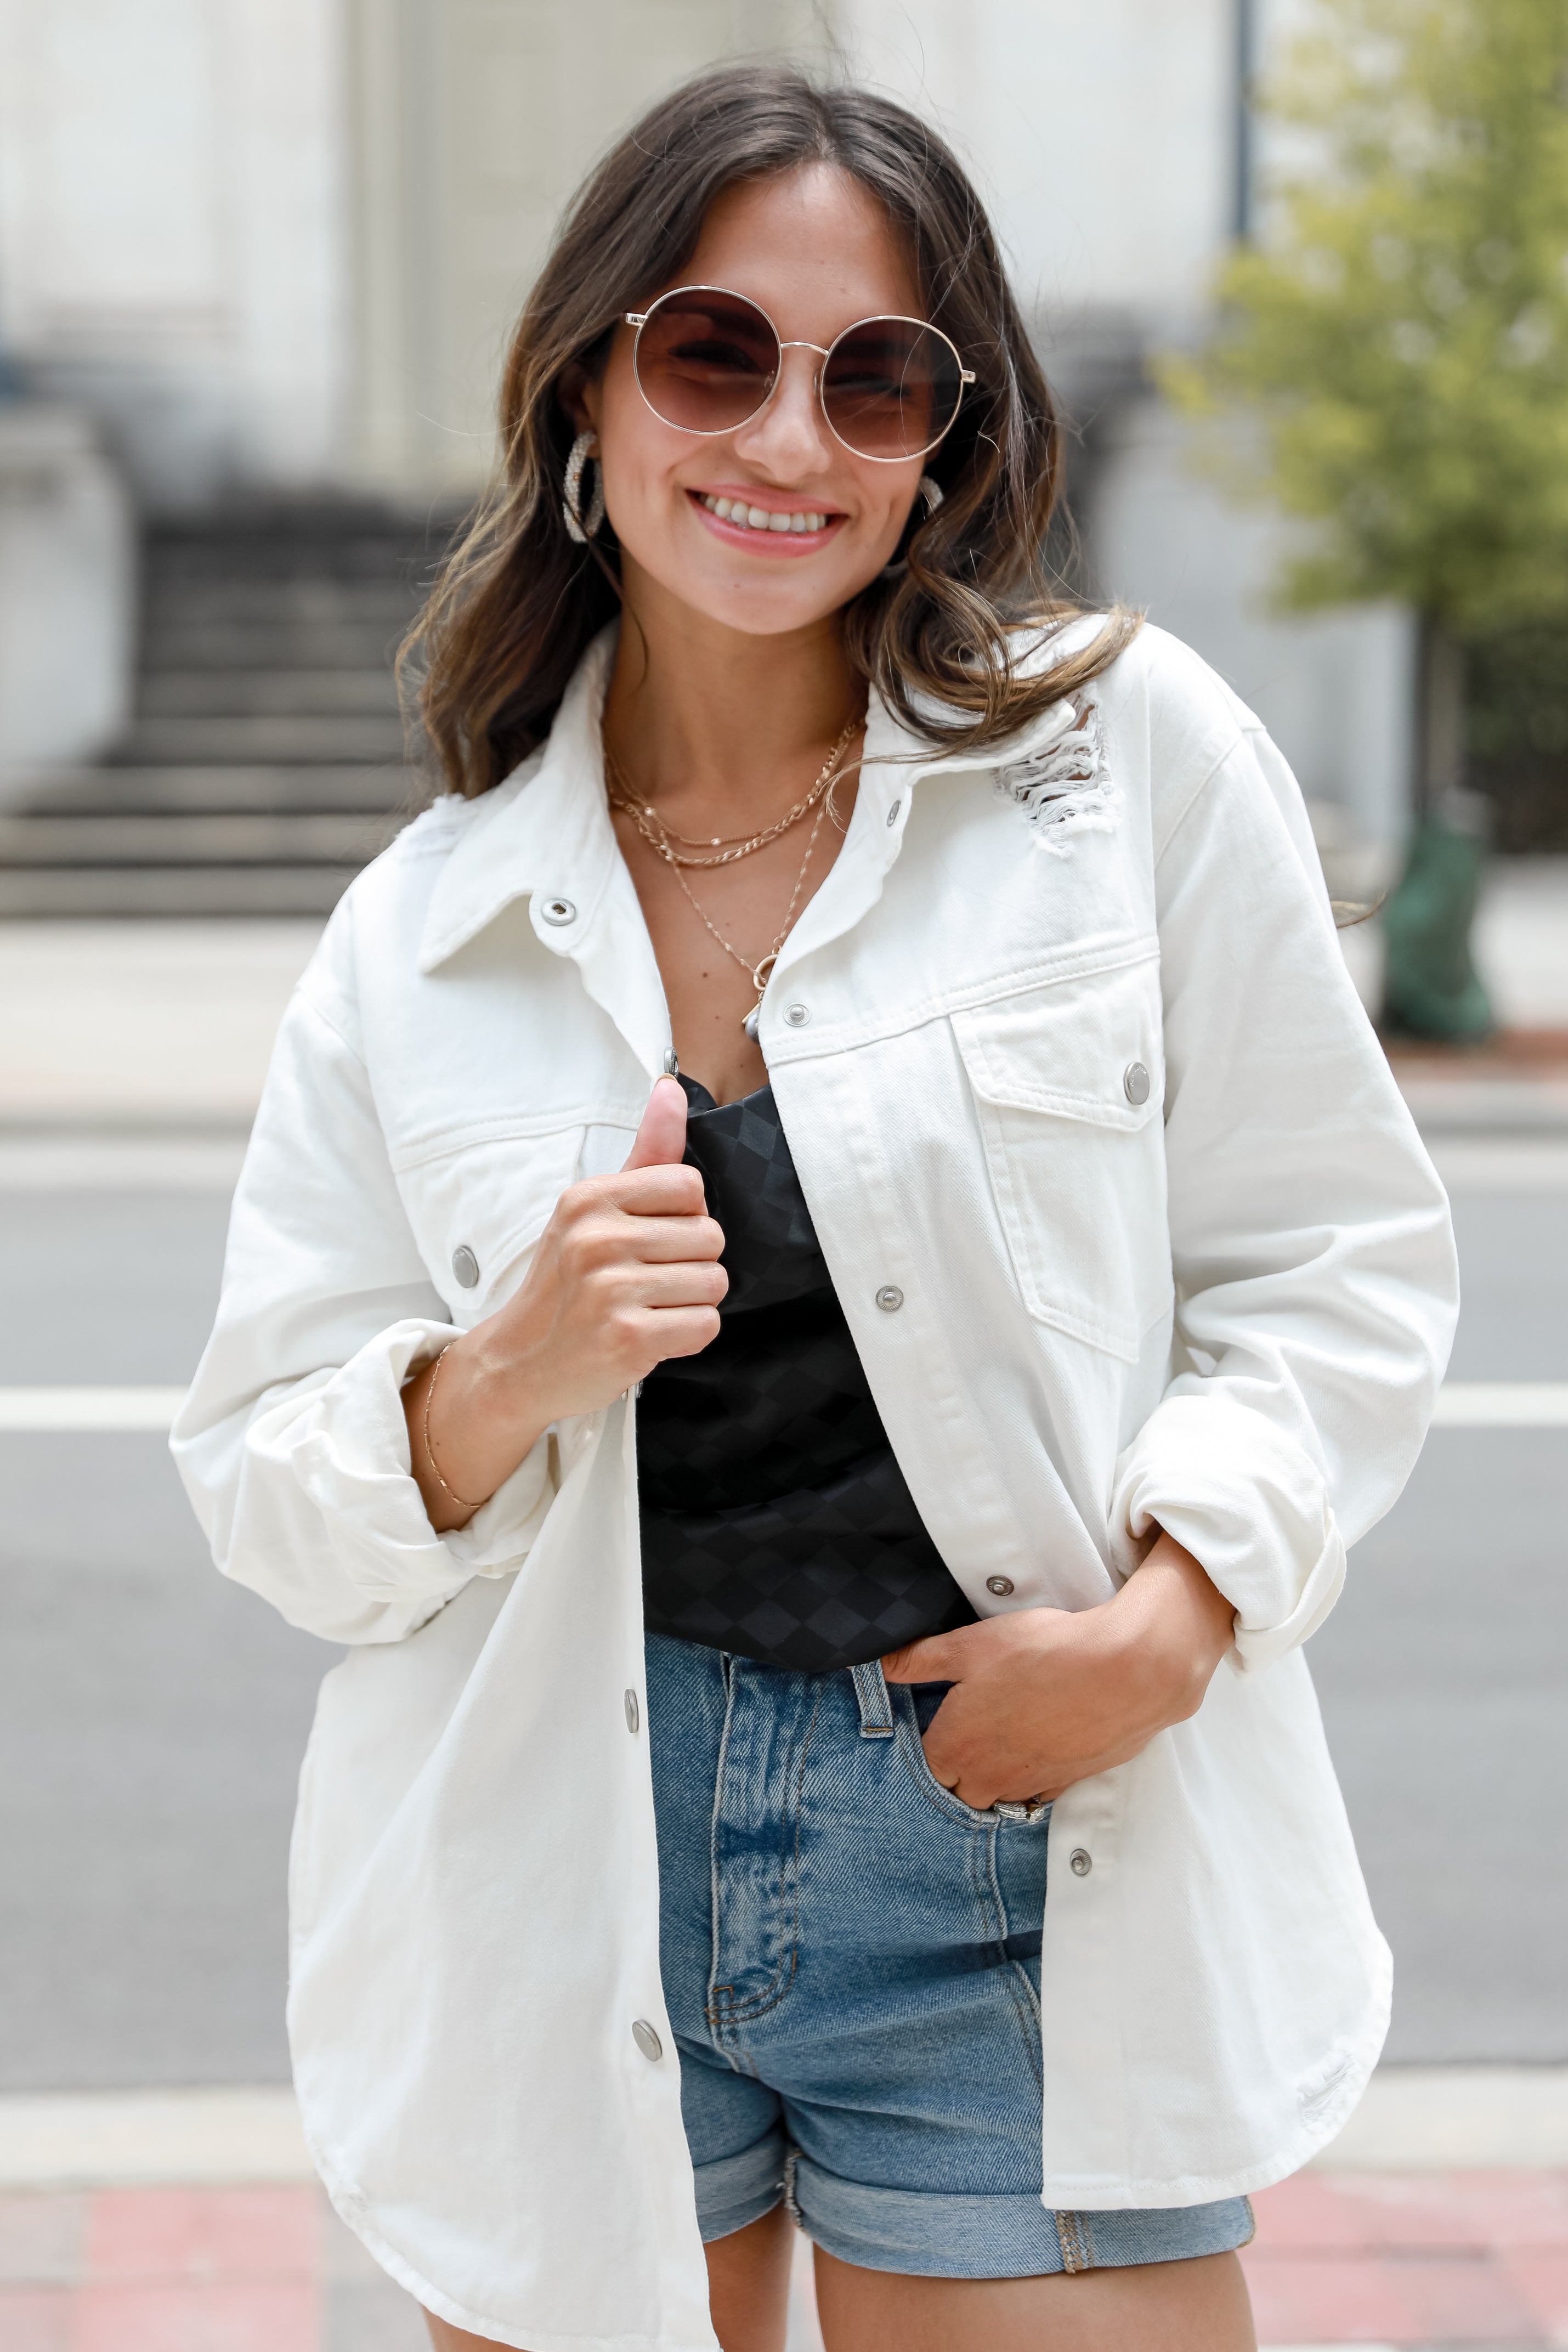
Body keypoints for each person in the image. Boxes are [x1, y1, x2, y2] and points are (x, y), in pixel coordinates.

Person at [172, 64, 1458, 2352]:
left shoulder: (1118, 768)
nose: (788, 439)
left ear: (944, 446)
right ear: (587, 380)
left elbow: (1332, 1265)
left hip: (1016, 1835)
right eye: (711, 354)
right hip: (566, 1858)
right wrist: (497, 1378)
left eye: (877, 379)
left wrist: (1168, 1624)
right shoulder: (428, 926)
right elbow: (272, 1481)